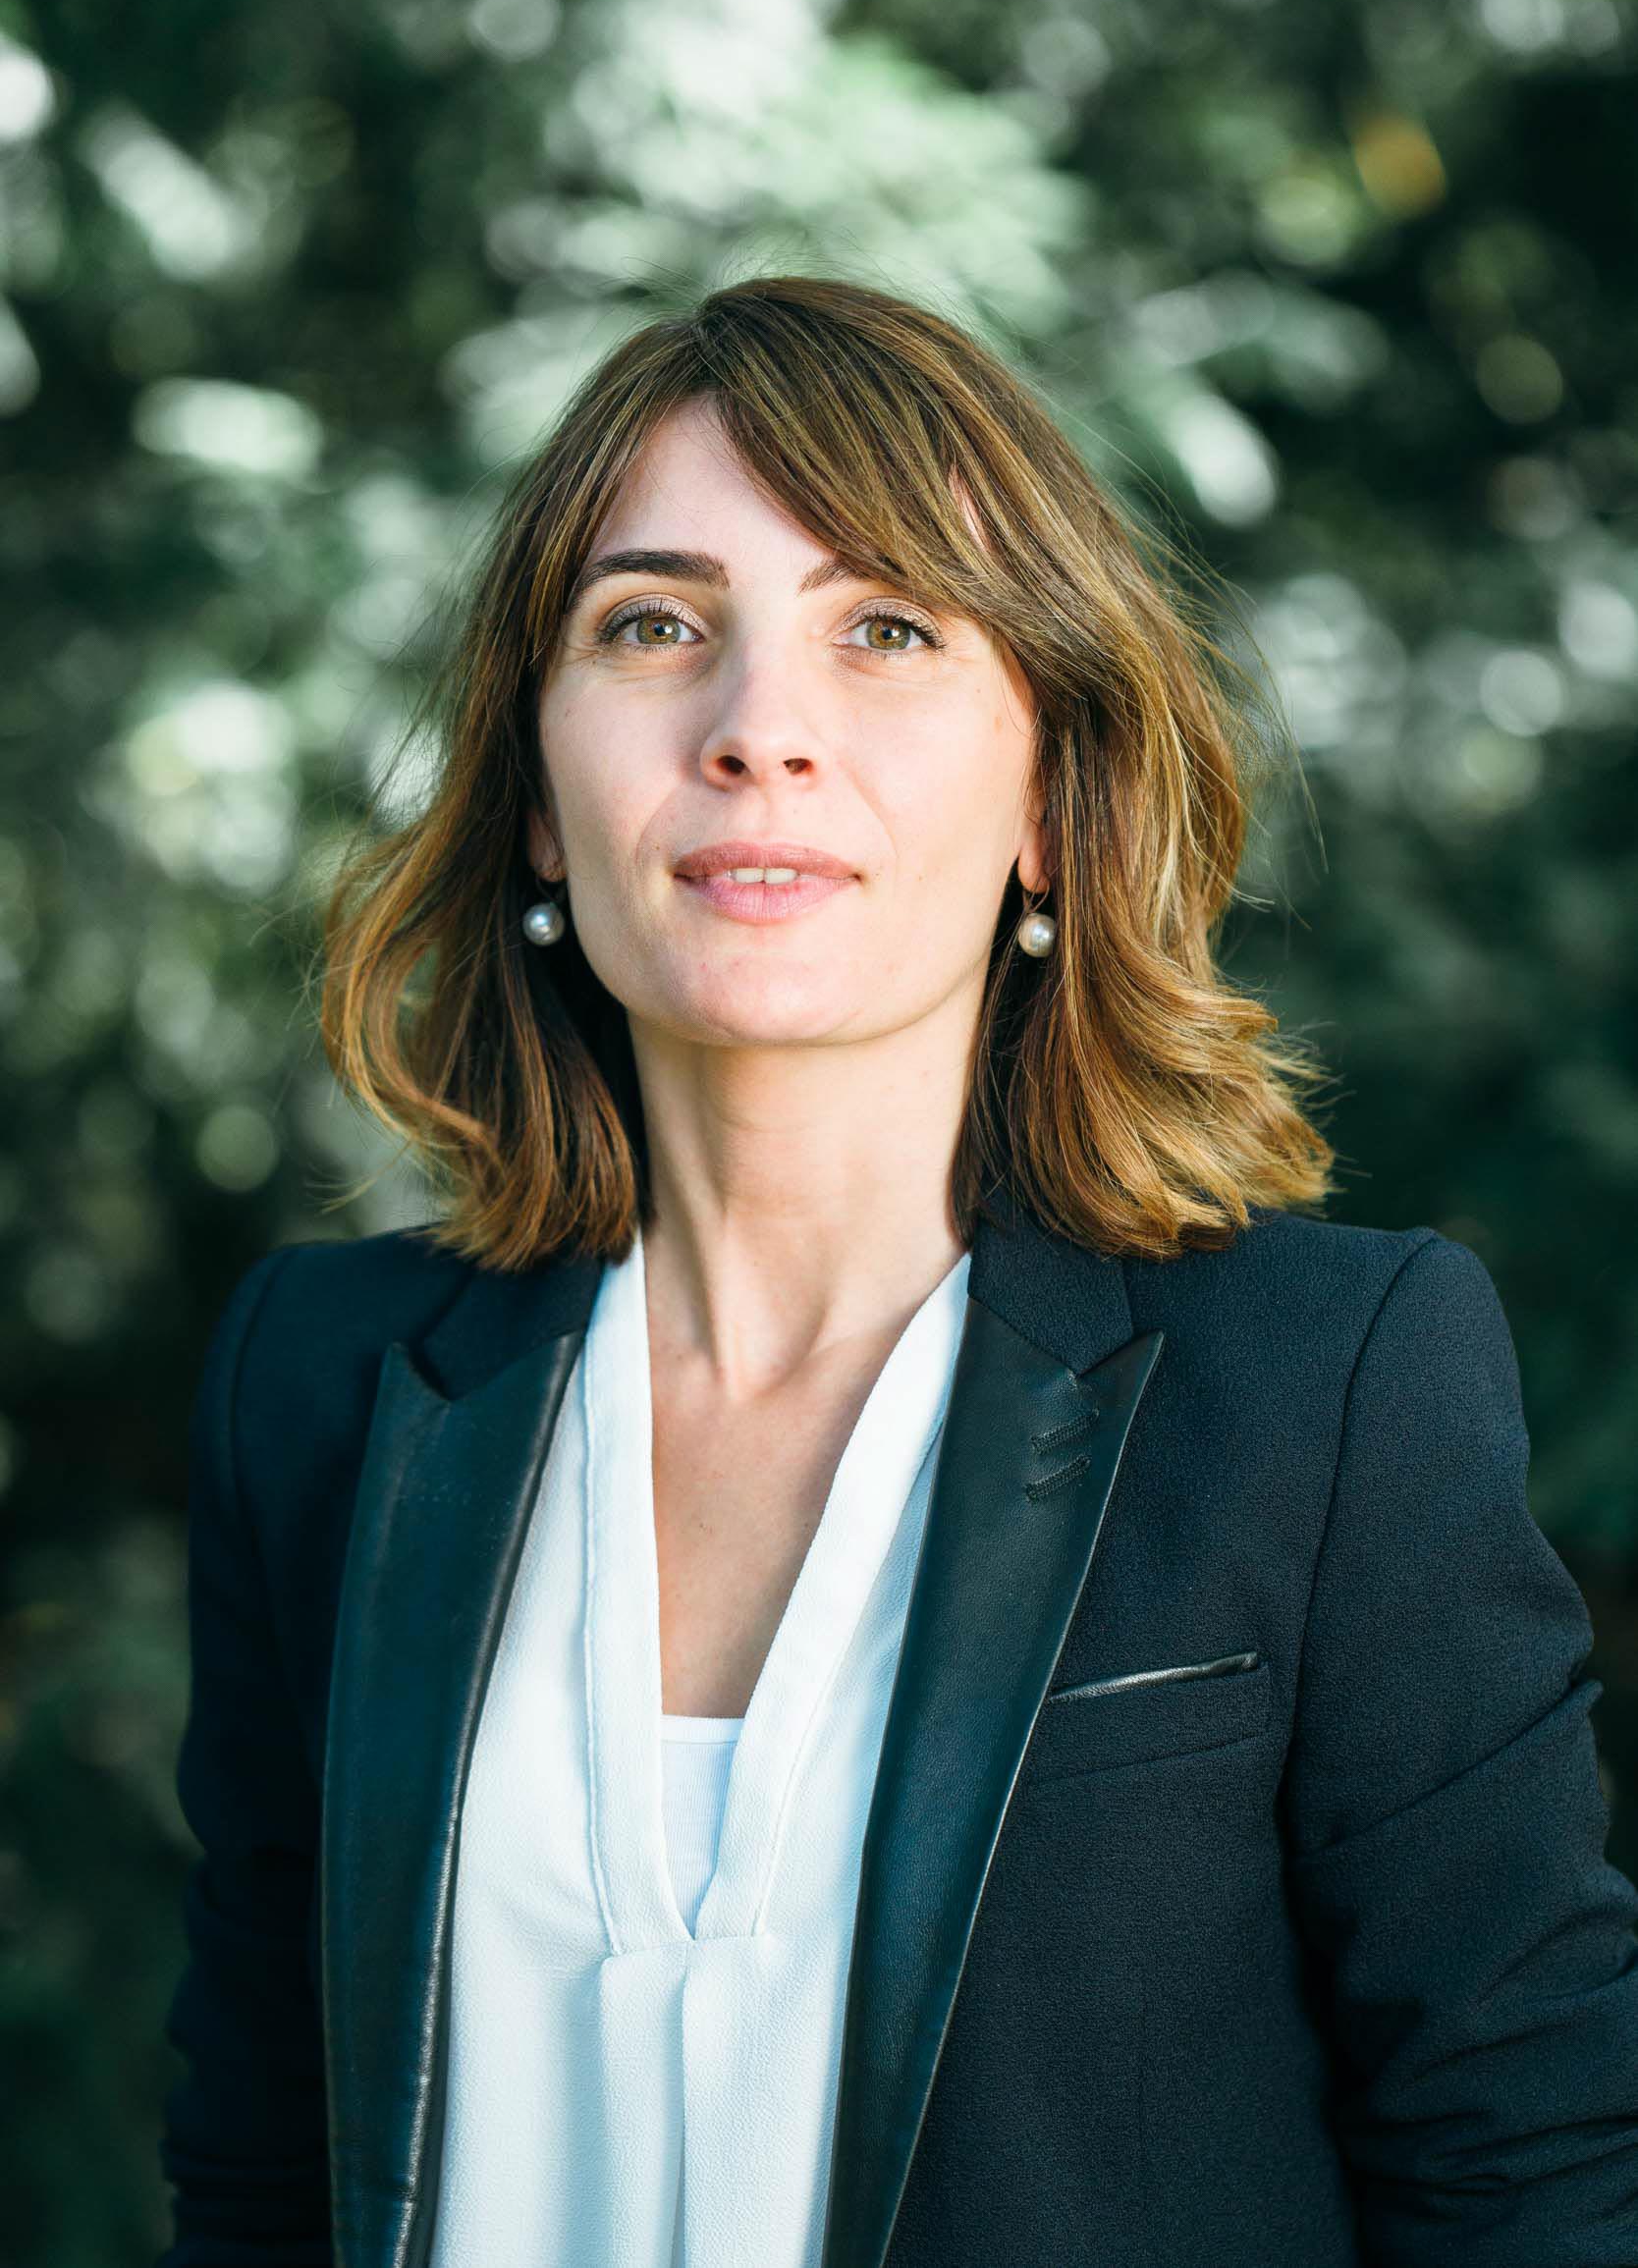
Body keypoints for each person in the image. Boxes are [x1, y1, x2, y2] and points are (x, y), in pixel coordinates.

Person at [155, 274, 1638, 2268]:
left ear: (1047, 794)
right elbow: (259, 2170)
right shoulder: (320, 1387)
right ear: (530, 788)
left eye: (886, 629)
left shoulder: (1327, 1379)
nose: (759, 728)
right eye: (654, 624)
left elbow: (1530, 2180)